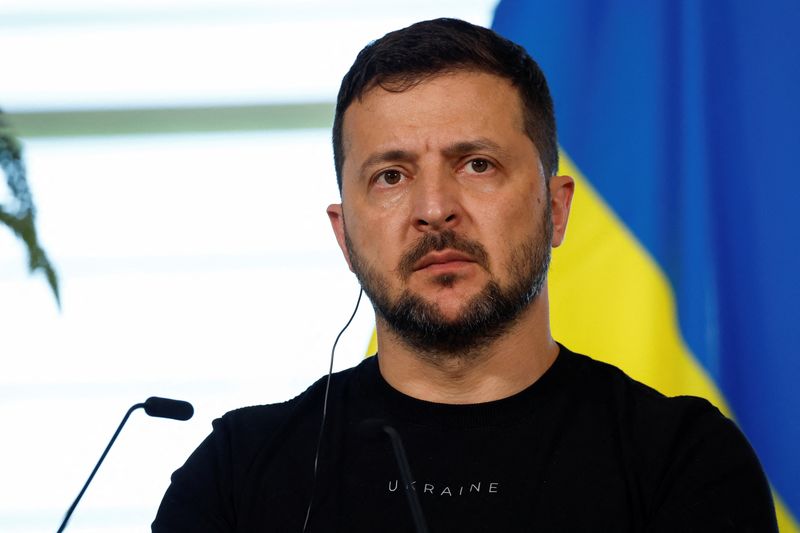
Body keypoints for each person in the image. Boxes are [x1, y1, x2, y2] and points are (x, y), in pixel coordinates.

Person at [152, 18, 777, 532]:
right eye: (390, 176)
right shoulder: (236, 475)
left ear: (555, 209)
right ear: (344, 235)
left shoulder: (684, 461)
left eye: (477, 164)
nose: (433, 209)